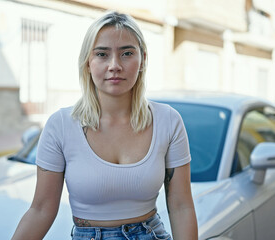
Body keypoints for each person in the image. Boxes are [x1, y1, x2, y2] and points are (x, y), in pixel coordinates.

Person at [12, 11, 198, 240]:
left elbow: (181, 206)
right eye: (102, 54)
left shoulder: (168, 120)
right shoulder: (60, 125)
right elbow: (40, 210)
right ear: (88, 63)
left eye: (127, 53)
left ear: (143, 60)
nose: (115, 65)